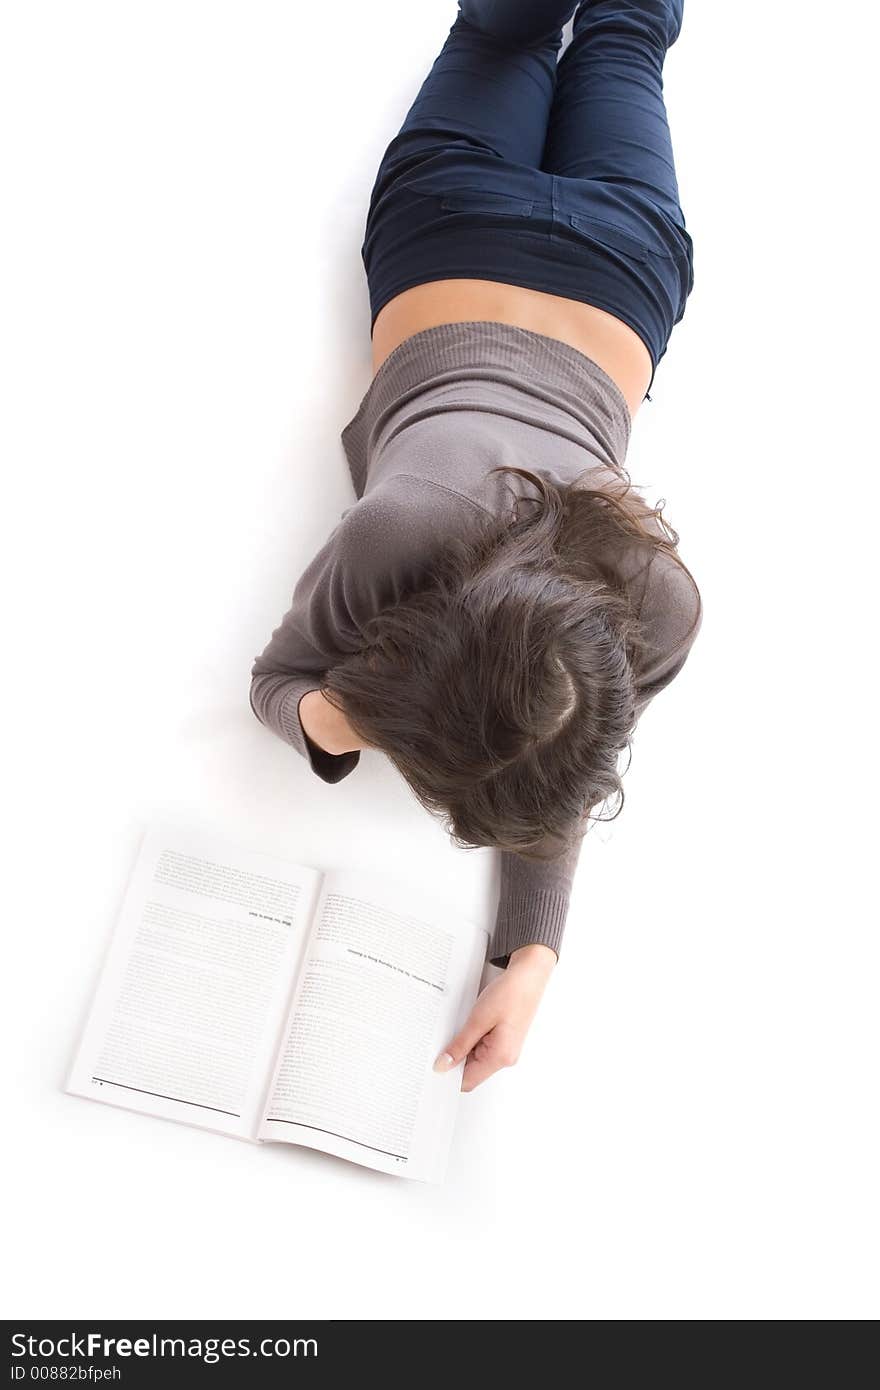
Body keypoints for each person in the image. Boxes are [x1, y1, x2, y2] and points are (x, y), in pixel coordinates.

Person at [250, 0, 702, 1092]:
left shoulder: (659, 596)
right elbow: (278, 682)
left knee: (570, 33)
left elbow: (560, 739)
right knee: (568, 36)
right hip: (485, 241)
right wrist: (330, 717)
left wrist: (529, 953)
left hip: (591, 259)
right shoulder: (398, 537)